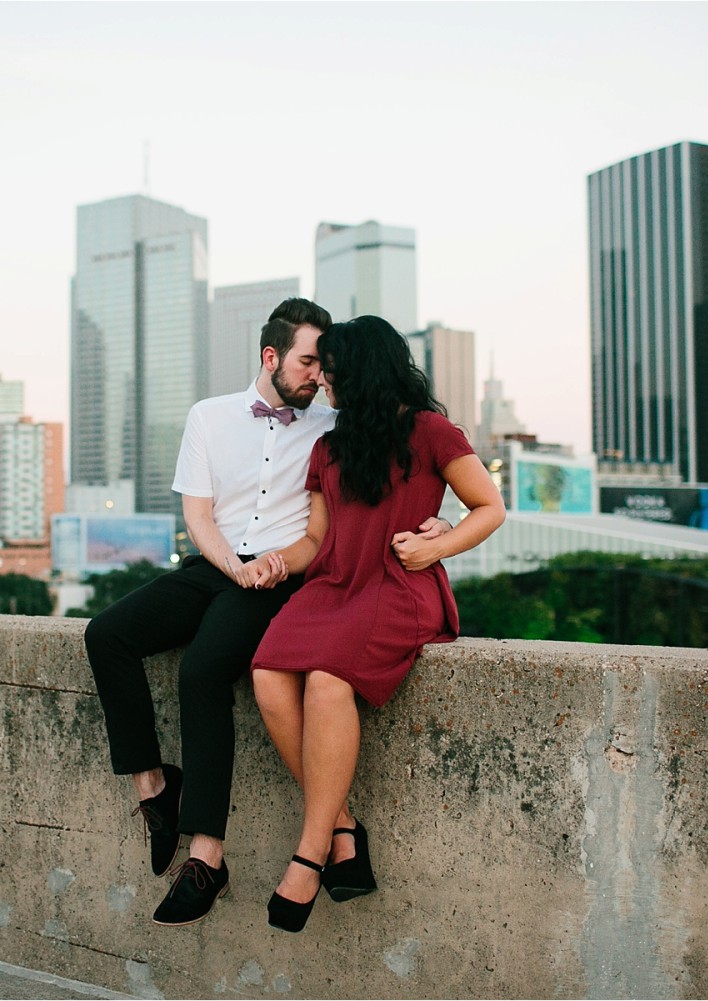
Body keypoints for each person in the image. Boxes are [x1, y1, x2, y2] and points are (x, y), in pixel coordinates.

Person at [83, 298, 448, 928]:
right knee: (106, 633)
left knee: (203, 669)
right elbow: (197, 516)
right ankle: (154, 788)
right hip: (218, 563)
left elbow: (395, 472)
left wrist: (438, 524)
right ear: (271, 356)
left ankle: (206, 856)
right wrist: (232, 566)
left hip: (282, 576)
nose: (319, 376)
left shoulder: (334, 425)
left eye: (326, 366)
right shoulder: (209, 416)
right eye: (308, 362)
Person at [248, 314, 506, 932]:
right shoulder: (328, 447)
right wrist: (275, 562)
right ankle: (342, 825)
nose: (322, 381)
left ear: (361, 370)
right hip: (334, 583)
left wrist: (437, 546)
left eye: (332, 371)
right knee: (267, 672)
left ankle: (310, 854)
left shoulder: (431, 431)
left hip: (397, 586)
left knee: (327, 680)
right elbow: (317, 539)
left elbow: (489, 507)